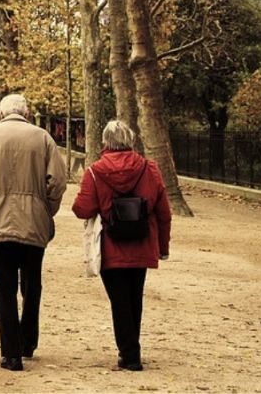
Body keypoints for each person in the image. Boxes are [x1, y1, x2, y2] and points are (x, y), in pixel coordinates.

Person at [0, 94, 68, 372]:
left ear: (1, 113)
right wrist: (46, 211)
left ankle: (11, 355)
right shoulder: (43, 138)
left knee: (5, 290)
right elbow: (57, 182)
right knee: (32, 284)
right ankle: (28, 341)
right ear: (27, 112)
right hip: (34, 223)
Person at [72, 120, 172, 372]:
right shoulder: (150, 169)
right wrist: (163, 246)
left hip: (111, 245)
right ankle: (131, 350)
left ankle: (129, 354)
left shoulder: (95, 171)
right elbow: (164, 212)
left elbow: (82, 209)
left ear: (105, 142)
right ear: (131, 140)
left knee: (119, 300)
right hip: (141, 242)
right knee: (134, 298)